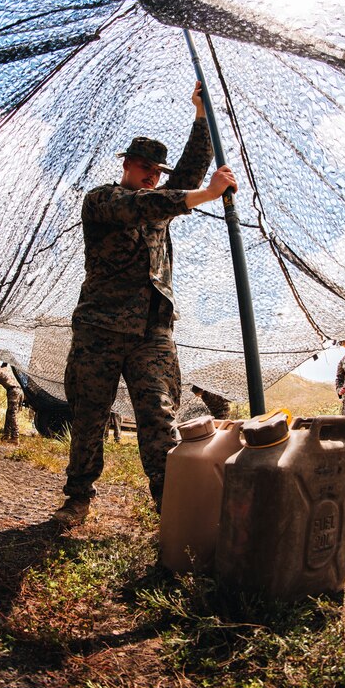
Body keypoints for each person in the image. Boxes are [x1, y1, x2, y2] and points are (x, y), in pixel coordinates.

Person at [53, 81, 238, 526]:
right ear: (127, 166)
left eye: (156, 170)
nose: (151, 175)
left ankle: (170, 506)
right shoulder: (103, 200)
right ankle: (77, 498)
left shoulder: (159, 203)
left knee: (160, 418)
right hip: (100, 326)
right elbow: (149, 204)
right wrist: (203, 196)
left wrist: (200, 116)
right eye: (144, 168)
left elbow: (189, 176)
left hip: (153, 333)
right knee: (90, 416)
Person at [0, 362, 24, 444]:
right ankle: (6, 435)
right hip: (20, 391)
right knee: (9, 413)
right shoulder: (6, 369)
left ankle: (15, 437)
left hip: (13, 391)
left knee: (12, 414)